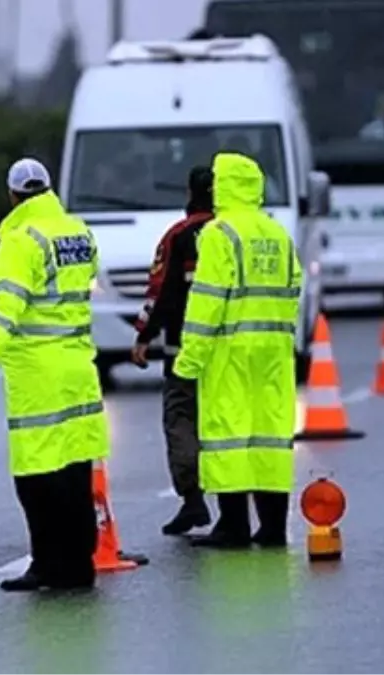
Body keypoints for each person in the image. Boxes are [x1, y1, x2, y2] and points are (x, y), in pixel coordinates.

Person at [0, 158, 111, 591]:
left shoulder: (19, 240)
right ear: (47, 188)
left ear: (12, 195)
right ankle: (79, 567)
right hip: (78, 366)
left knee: (37, 477)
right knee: (77, 471)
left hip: (38, 375)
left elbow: (8, 309)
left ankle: (48, 565)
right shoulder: (78, 231)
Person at [172, 153, 301, 549]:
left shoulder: (219, 234)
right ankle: (274, 526)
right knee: (269, 436)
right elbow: (294, 287)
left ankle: (233, 525)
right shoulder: (276, 232)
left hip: (230, 351)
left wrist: (189, 358)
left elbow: (207, 301)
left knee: (229, 435)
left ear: (224, 187)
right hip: (275, 351)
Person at [133, 166, 215, 536]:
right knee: (229, 424)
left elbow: (160, 291)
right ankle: (240, 508)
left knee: (181, 419)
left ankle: (193, 501)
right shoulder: (236, 234)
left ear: (189, 191)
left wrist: (143, 335)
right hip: (233, 351)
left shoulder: (179, 236)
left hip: (183, 349)